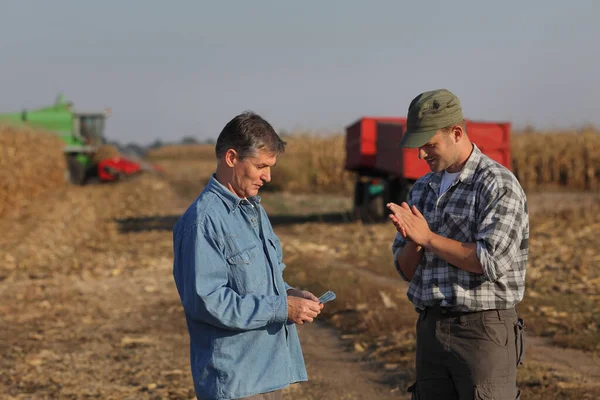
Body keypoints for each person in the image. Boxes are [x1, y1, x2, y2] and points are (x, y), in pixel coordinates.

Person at [172, 112, 324, 400]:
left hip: (266, 374)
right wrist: (282, 308)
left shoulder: (253, 210)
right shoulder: (202, 222)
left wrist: (290, 294)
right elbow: (208, 302)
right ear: (231, 158)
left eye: (270, 167)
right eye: (260, 166)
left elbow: (259, 283)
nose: (267, 176)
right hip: (235, 383)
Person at [388, 89, 528, 400]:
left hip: (482, 330)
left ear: (456, 133)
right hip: (431, 328)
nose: (422, 155)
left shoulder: (496, 184)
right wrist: (413, 241)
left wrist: (428, 238)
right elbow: (405, 270)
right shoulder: (423, 188)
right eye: (418, 147)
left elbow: (490, 261)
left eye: (429, 145)